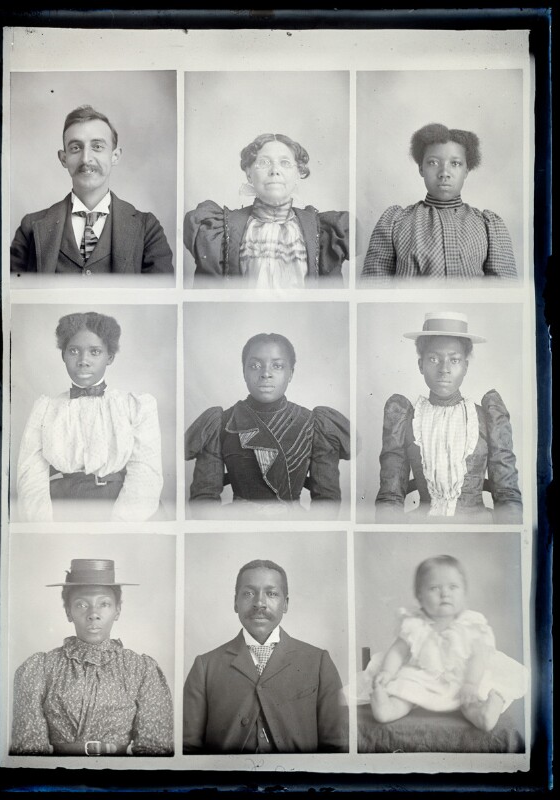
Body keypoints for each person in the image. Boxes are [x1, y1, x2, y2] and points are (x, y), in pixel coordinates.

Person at [10, 559, 174, 756]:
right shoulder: (41, 668)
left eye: (104, 604)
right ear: (68, 612)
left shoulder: (141, 669)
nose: (93, 614)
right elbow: (29, 752)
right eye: (81, 604)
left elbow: (155, 751)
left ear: (117, 611)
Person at [183, 559, 348, 754]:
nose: (259, 603)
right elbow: (189, 749)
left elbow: (337, 746)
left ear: (285, 604)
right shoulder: (205, 666)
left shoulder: (319, 662)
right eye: (248, 593)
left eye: (271, 594)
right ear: (235, 602)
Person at [349, 555, 527, 733]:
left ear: (464, 593)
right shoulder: (414, 624)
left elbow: (478, 657)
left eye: (453, 587)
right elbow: (397, 652)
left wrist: (471, 683)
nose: (445, 593)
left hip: (463, 678)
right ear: (420, 596)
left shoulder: (471, 625)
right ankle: (386, 709)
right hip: (422, 677)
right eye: (434, 588)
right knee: (405, 692)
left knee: (469, 702)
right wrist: (387, 672)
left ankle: (486, 712)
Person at [374, 311, 522, 523]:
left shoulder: (485, 417)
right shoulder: (406, 419)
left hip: (478, 532)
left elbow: (507, 496)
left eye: (454, 360)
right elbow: (390, 497)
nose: (444, 369)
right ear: (420, 365)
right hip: (422, 531)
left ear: (465, 367)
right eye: (434, 359)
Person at [16, 311, 163, 522]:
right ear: (63, 355)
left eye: (95, 352)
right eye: (74, 351)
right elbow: (29, 474)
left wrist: (121, 523)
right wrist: (44, 525)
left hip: (119, 503)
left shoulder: (135, 407)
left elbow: (146, 471)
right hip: (61, 506)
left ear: (109, 356)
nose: (83, 361)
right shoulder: (46, 409)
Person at [185, 332, 350, 515]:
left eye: (277, 366)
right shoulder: (220, 423)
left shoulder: (315, 424)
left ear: (290, 374)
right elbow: (204, 500)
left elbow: (327, 503)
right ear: (244, 372)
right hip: (238, 529)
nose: (265, 374)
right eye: (255, 366)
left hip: (294, 530)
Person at [10, 105, 173, 275]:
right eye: (76, 148)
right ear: (63, 158)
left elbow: (160, 298)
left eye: (97, 146)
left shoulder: (147, 228)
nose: (86, 158)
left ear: (115, 156)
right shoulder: (30, 227)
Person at [184, 133, 349, 288]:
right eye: (264, 162)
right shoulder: (218, 229)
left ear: (298, 172)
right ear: (249, 173)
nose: (274, 171)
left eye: (285, 163)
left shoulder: (324, 230)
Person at [361, 123, 518, 281]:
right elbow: (373, 288)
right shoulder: (394, 222)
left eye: (455, 164)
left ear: (466, 171)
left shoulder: (488, 225)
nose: (444, 173)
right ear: (421, 168)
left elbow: (504, 292)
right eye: (433, 163)